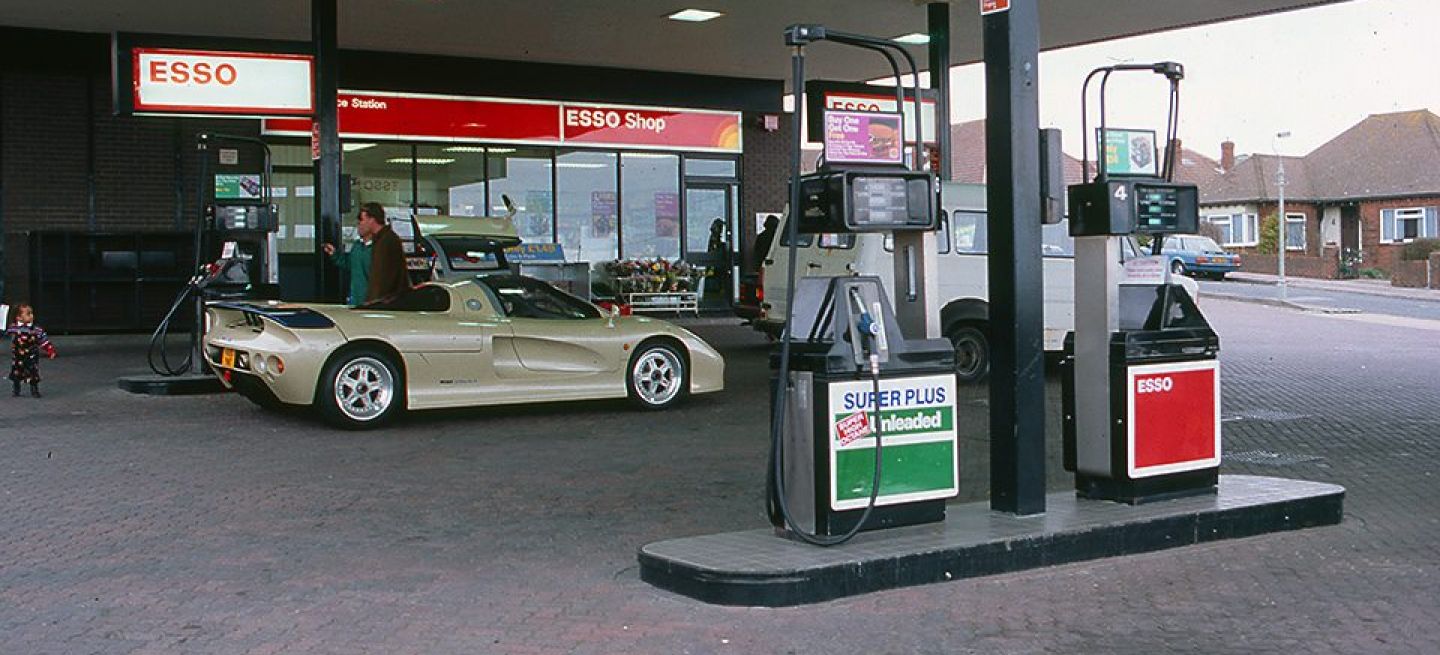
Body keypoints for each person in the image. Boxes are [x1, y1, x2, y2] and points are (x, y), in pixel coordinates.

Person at [360, 202, 412, 304]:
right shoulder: (383, 239)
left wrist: (373, 301)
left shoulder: (386, 241)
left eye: (362, 219)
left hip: (386, 302)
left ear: (372, 219)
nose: (360, 223)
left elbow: (382, 276)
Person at [4, 303, 57, 398]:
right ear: (19, 317)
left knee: (33, 372)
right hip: (17, 356)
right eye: (28, 314)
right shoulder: (13, 328)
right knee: (16, 372)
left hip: (31, 356)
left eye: (32, 313)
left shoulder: (37, 330)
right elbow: (5, 334)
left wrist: (50, 350)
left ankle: (34, 389)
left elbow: (44, 341)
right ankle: (16, 388)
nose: (31, 315)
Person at [322, 213, 374, 306]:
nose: (358, 225)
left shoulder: (379, 248)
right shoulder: (357, 246)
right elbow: (350, 263)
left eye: (361, 221)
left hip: (372, 302)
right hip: (355, 300)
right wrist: (334, 254)